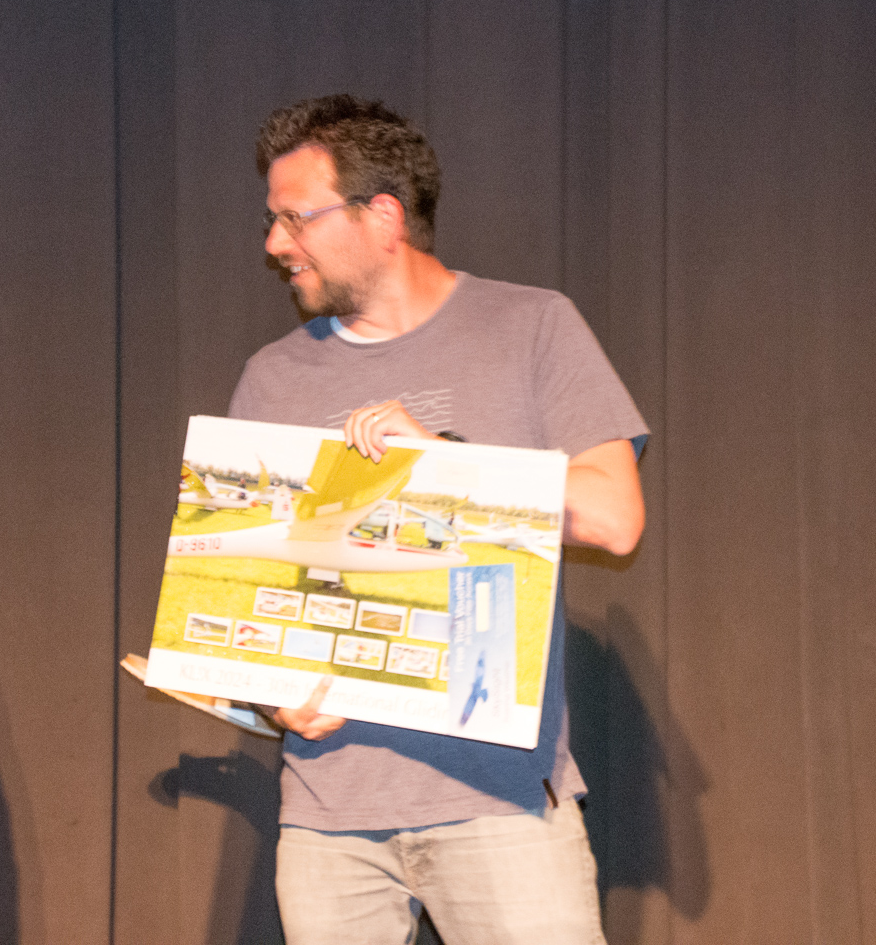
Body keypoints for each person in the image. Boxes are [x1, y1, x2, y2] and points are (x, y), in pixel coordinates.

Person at [230, 93, 649, 945]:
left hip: (498, 803)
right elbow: (242, 595)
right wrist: (272, 699)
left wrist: (446, 468)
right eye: (272, 220)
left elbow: (615, 517)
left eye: (295, 218)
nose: (275, 243)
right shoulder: (271, 378)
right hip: (327, 819)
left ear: (382, 216)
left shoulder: (531, 326)